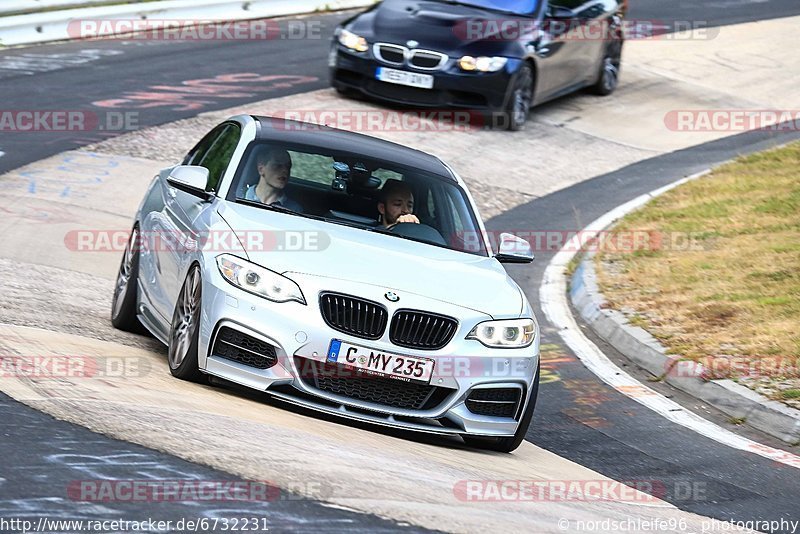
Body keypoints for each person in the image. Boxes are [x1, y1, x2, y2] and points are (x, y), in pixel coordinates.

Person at [243, 146, 303, 212]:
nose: (285, 170)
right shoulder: (240, 196)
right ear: (261, 169)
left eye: (288, 167)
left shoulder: (294, 210)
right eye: (278, 165)